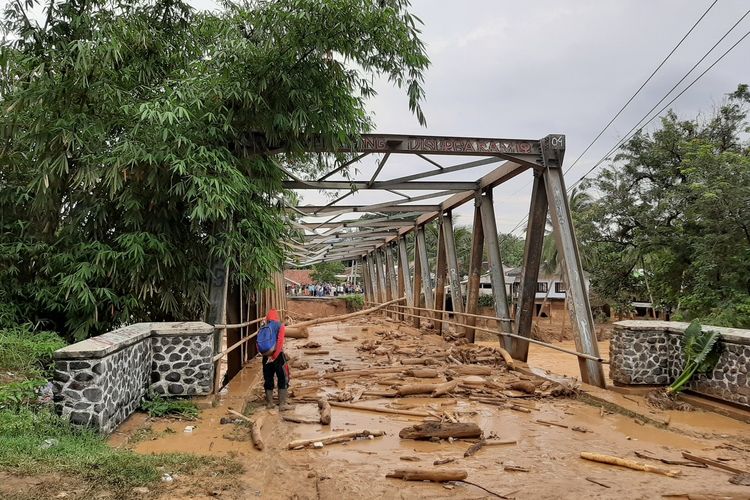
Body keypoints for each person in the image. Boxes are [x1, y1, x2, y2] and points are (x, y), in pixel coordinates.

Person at [258, 309, 292, 410]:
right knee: (283, 377)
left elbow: (258, 342)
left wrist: (265, 355)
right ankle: (282, 404)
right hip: (277, 356)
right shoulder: (280, 326)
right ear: (277, 316)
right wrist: (274, 356)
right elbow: (280, 341)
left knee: (268, 379)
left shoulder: (263, 326)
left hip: (265, 357)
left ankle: (270, 403)